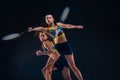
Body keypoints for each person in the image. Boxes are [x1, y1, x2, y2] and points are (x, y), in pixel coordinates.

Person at [28, 14, 83, 80]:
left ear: (53, 19)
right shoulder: (47, 30)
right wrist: (32, 29)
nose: (48, 19)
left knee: (73, 66)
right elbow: (40, 28)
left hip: (65, 46)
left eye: (49, 18)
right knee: (47, 69)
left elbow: (68, 26)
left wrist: (77, 26)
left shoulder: (58, 25)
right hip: (58, 48)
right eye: (46, 18)